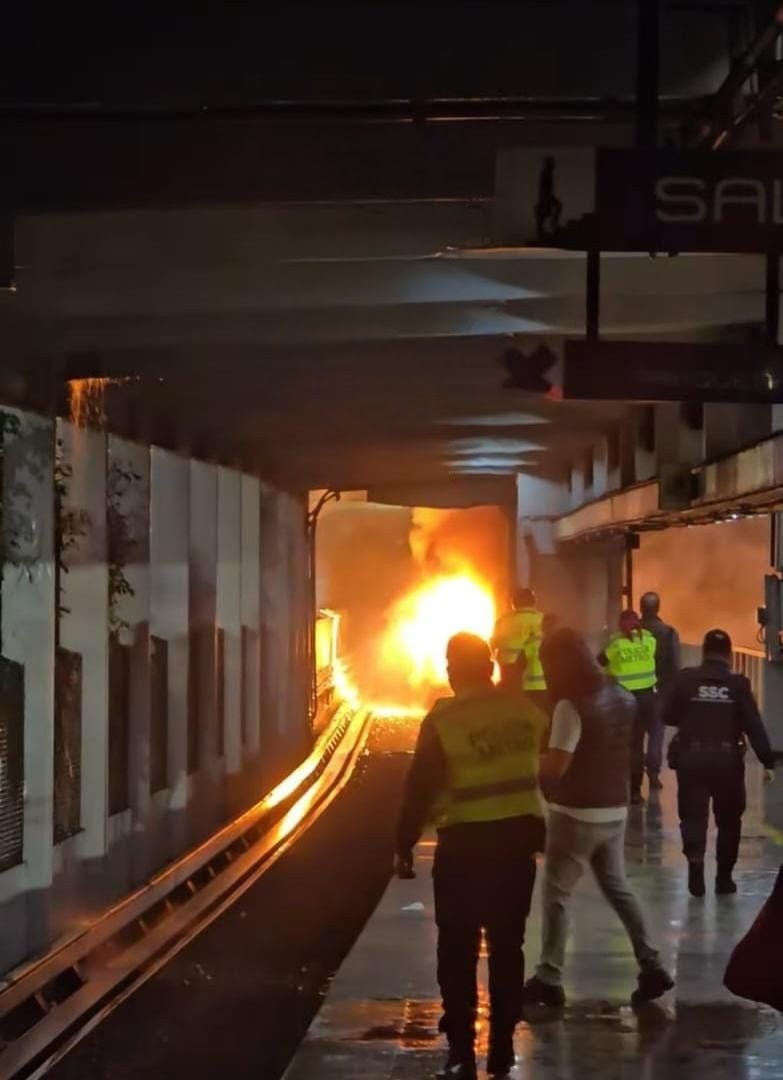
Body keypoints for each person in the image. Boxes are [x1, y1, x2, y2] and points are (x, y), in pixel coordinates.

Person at [395, 633, 547, 1080]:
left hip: (464, 845)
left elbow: (419, 786)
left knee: (457, 949)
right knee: (508, 947)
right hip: (517, 845)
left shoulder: (444, 719)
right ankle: (502, 1049)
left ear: (453, 672)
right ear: (490, 669)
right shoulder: (525, 711)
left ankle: (461, 1052)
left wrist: (404, 843)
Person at [524, 628, 674, 1009]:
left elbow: (557, 767)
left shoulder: (570, 706)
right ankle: (651, 964)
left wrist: (534, 772)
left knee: (557, 893)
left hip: (577, 813)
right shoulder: (622, 696)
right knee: (618, 888)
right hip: (615, 809)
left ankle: (549, 976)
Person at [662, 628, 775, 898]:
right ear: (728, 655)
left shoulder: (686, 679)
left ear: (704, 652)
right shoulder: (738, 684)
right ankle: (724, 879)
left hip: (692, 759)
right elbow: (753, 725)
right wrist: (768, 761)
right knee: (729, 821)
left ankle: (695, 861)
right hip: (727, 762)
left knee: (693, 816)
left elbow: (667, 715)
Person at [600, 610, 659, 803]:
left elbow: (600, 660)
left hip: (624, 700)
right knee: (638, 744)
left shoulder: (616, 644)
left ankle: (618, 785)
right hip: (647, 698)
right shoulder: (649, 641)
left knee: (621, 743)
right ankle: (635, 791)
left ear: (620, 625)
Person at [640, 591, 681, 791]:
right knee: (656, 734)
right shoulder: (668, 633)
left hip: (633, 692)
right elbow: (674, 664)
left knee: (634, 737)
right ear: (658, 608)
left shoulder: (630, 633)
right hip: (659, 692)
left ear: (641, 608)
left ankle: (633, 780)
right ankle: (654, 774)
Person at [492, 586, 548, 711]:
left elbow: (493, 648)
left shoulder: (502, 622)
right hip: (540, 685)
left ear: (514, 603)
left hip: (511, 685)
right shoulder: (543, 620)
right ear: (534, 602)